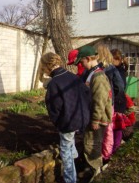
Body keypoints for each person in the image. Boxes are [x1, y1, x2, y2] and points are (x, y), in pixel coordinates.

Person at [41, 52, 91, 183]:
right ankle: (76, 163)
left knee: (65, 150)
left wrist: (59, 124)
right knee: (70, 143)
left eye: (43, 67)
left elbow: (54, 108)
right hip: (80, 118)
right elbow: (86, 95)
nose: (43, 70)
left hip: (68, 122)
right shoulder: (72, 77)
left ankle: (70, 179)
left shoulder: (54, 83)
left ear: (48, 66)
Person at [74, 45, 113, 181]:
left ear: (88, 58)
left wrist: (96, 119)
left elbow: (100, 100)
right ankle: (90, 168)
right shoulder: (93, 73)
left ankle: (94, 171)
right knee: (89, 142)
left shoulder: (98, 76)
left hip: (97, 119)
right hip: (91, 116)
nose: (81, 65)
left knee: (92, 145)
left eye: (82, 62)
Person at [96, 44, 124, 161]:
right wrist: (113, 97)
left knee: (96, 129)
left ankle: (96, 154)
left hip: (96, 102)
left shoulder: (95, 69)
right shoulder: (111, 68)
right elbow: (120, 86)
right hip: (108, 103)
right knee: (108, 130)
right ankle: (106, 155)